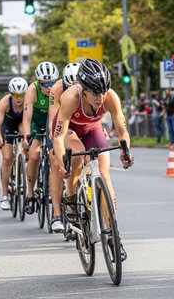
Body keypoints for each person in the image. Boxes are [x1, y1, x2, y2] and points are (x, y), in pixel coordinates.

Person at [53, 58, 134, 261]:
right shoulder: (71, 97)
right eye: (96, 93)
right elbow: (58, 137)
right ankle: (71, 197)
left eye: (104, 91)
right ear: (84, 90)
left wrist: (125, 151)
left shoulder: (110, 97)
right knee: (77, 156)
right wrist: (63, 162)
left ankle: (114, 236)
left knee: (105, 177)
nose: (100, 98)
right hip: (69, 130)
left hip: (92, 129)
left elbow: (122, 129)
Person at [22, 61, 59, 215]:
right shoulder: (32, 90)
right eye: (45, 84)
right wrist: (26, 137)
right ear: (39, 82)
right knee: (34, 156)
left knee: (55, 156)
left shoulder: (59, 89)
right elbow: (26, 118)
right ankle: (30, 193)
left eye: (52, 83)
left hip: (52, 121)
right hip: (36, 123)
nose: (49, 87)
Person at [47, 62, 80, 232]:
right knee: (55, 160)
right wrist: (54, 139)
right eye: (70, 86)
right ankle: (57, 214)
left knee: (85, 154)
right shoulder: (57, 89)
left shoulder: (86, 87)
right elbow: (54, 115)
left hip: (80, 123)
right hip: (60, 122)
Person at [0, 77, 29, 210]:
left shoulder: (28, 101)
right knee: (7, 157)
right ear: (10, 93)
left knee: (27, 141)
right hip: (7, 125)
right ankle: (4, 196)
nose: (19, 99)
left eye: (21, 95)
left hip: (21, 124)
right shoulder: (4, 102)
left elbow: (28, 121)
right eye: (15, 95)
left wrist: (26, 138)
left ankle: (24, 165)